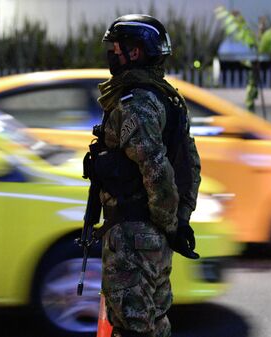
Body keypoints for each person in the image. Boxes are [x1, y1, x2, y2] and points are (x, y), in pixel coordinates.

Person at [90, 14, 202, 337]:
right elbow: (191, 167)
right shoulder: (163, 98)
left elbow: (157, 170)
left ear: (136, 52)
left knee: (134, 327)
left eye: (117, 47)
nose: (112, 53)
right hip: (150, 239)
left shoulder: (136, 102)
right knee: (154, 326)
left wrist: (169, 224)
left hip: (133, 240)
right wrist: (177, 223)